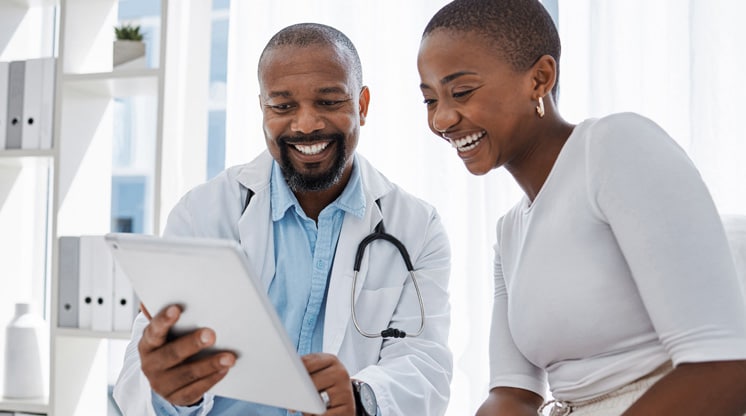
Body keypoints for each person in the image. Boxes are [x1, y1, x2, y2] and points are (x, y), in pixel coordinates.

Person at [416, 1, 746, 415]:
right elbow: (513, 395)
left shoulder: (615, 147)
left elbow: (724, 367)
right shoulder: (510, 231)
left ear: (540, 78)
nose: (442, 120)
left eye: (461, 92)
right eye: (430, 100)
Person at [113, 23, 453, 416]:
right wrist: (175, 391)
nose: (306, 124)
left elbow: (425, 365)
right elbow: (137, 378)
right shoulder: (201, 214)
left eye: (328, 102)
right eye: (283, 106)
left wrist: (361, 399)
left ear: (361, 105)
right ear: (262, 109)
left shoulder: (416, 227)